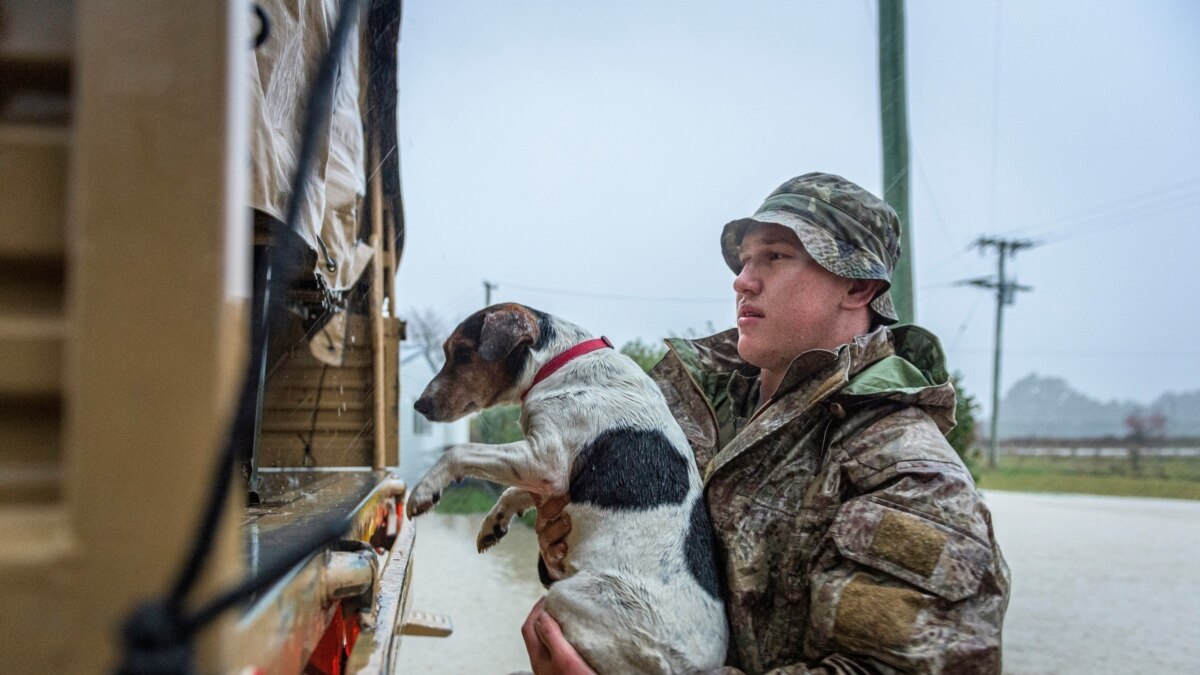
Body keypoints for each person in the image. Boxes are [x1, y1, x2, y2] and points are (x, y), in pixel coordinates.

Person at [522, 173, 1011, 674]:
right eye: (745, 260)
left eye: (774, 257)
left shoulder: (906, 471)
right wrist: (565, 547)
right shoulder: (675, 409)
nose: (742, 280)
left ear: (858, 286)